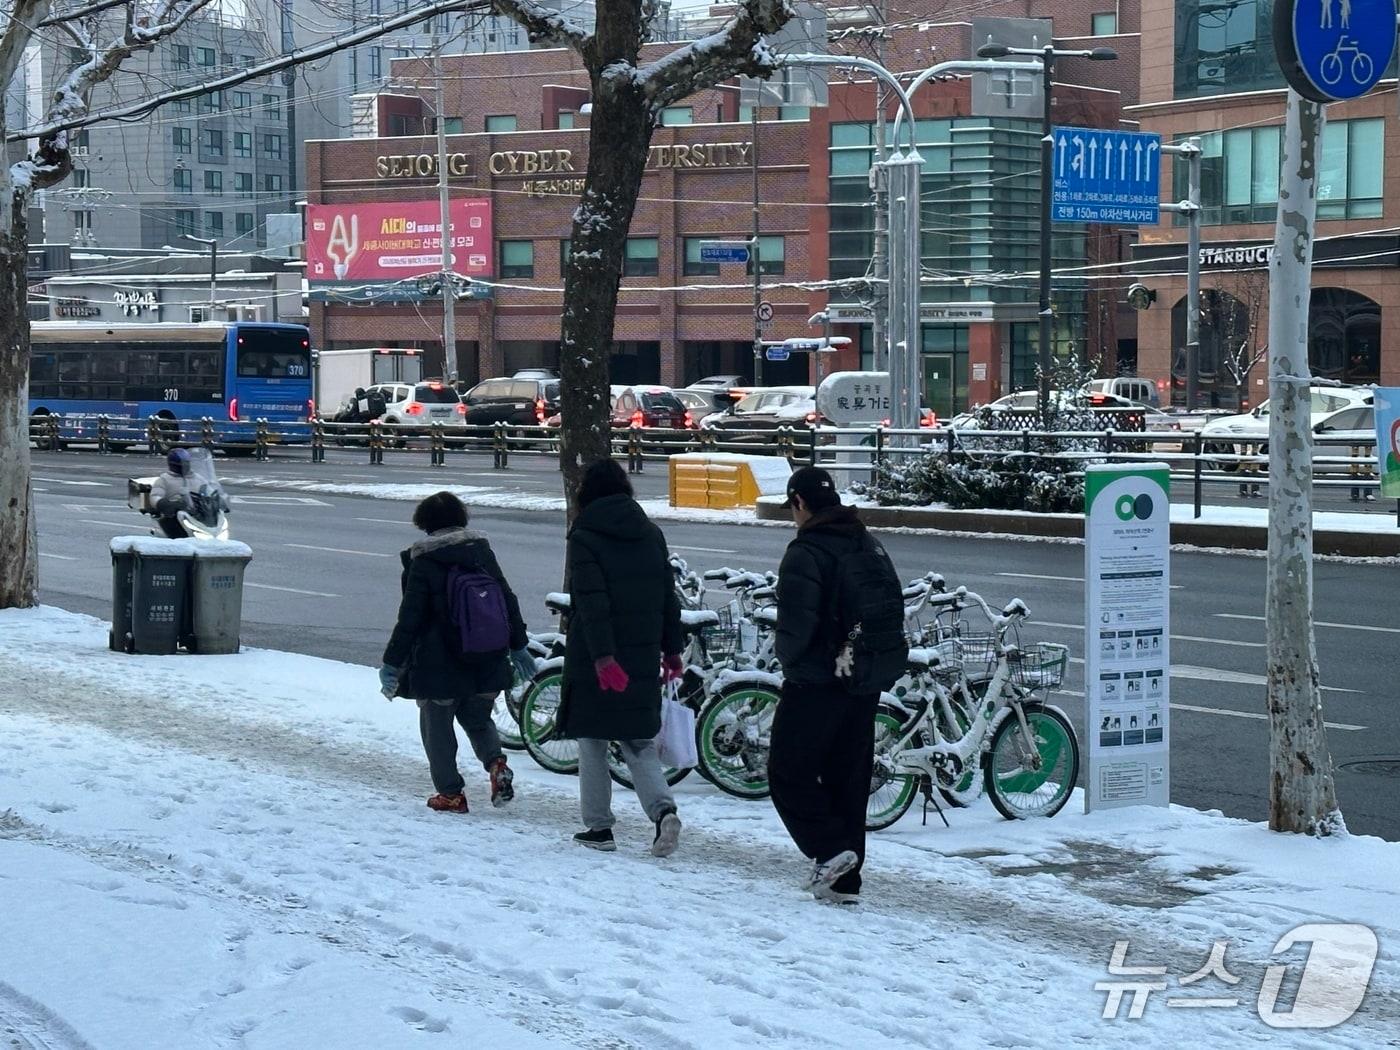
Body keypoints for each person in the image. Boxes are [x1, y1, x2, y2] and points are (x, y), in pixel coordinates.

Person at [770, 466, 905, 905]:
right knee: (848, 775)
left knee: (788, 772)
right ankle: (845, 881)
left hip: (816, 680)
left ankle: (830, 850)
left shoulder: (806, 551)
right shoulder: (867, 542)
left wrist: (791, 663)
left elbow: (796, 627)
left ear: (799, 503)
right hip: (864, 677)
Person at [380, 492, 535, 813]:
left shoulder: (423, 561)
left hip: (439, 665)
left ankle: (451, 793)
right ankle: (496, 765)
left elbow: (410, 619)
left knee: (437, 728)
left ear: (425, 524)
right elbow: (508, 599)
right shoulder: (481, 553)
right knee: (478, 719)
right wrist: (518, 646)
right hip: (488, 657)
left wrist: (392, 664)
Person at [559, 459, 684, 857]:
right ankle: (663, 813)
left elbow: (591, 604)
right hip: (643, 650)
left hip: (599, 656)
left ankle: (599, 828)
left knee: (593, 740)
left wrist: (601, 658)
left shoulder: (584, 536)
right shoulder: (650, 533)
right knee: (638, 740)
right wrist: (673, 649)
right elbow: (668, 595)